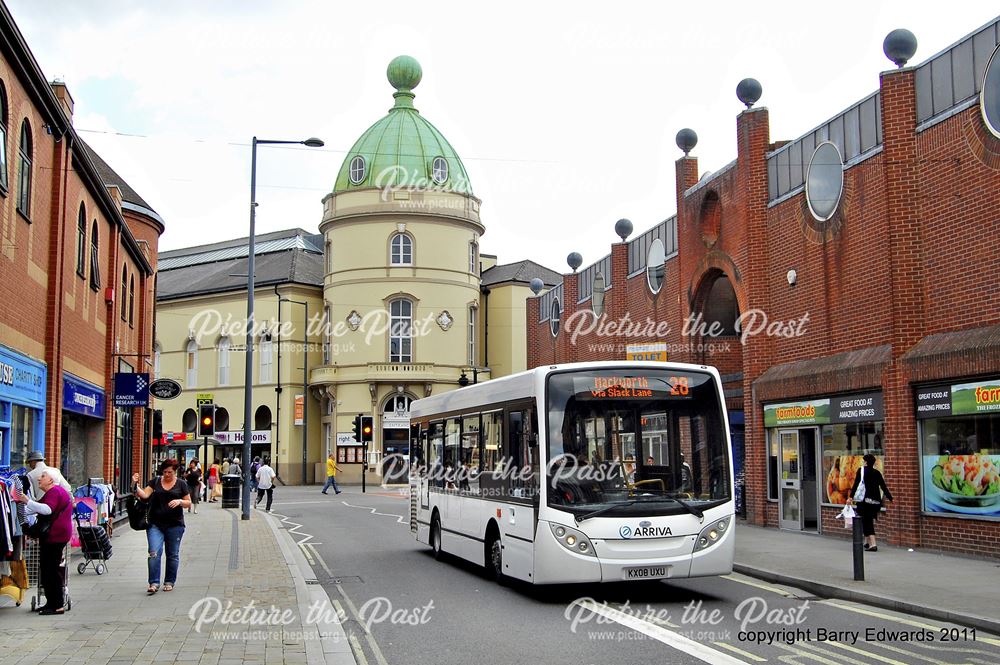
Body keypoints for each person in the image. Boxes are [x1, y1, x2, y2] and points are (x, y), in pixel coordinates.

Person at [12, 470, 73, 614]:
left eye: (43, 476)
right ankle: (51, 603)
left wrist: (27, 501)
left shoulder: (55, 492)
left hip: (55, 537)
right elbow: (35, 509)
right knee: (47, 570)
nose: (39, 478)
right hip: (56, 536)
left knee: (51, 570)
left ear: (51, 480)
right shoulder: (54, 492)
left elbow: (47, 510)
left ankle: (57, 605)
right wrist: (21, 507)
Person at [133, 459, 191, 594]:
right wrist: (135, 485)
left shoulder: (181, 484)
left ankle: (169, 581)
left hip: (175, 524)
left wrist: (179, 501)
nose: (166, 475)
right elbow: (144, 495)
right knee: (153, 552)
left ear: (175, 471)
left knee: (172, 554)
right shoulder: (156, 481)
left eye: (169, 472)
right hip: (155, 523)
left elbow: (188, 503)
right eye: (164, 472)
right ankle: (153, 582)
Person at [848, 453, 893, 552]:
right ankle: (867, 542)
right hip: (875, 502)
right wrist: (890, 498)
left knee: (867, 522)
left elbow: (856, 484)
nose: (863, 462)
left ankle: (873, 544)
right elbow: (883, 487)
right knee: (867, 520)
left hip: (864, 501)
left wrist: (850, 497)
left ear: (866, 462)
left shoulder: (861, 471)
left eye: (864, 460)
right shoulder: (877, 472)